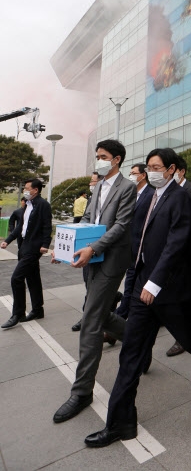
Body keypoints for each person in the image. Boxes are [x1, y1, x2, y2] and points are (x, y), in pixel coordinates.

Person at [83, 148, 191, 449]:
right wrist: (132, 281)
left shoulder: (180, 197)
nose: (151, 171)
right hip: (143, 287)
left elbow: (175, 244)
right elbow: (137, 239)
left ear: (171, 169)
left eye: (157, 167)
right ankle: (120, 424)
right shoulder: (145, 196)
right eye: (149, 167)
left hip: (169, 291)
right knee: (130, 354)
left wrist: (155, 283)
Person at [53, 139, 136, 424]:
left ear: (116, 160)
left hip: (111, 262)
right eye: (97, 156)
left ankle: (82, 392)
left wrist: (94, 248)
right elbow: (87, 219)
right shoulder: (98, 186)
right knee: (101, 315)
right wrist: (65, 248)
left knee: (90, 320)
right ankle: (138, 339)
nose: (98, 160)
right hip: (92, 260)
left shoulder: (128, 188)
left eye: (102, 156)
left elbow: (121, 226)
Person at [163, 155, 191, 357]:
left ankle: (182, 337)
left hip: (190, 248)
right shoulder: (165, 190)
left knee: (186, 288)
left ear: (180, 171)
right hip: (171, 247)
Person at [1, 179, 52, 328]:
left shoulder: (43, 205)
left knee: (16, 278)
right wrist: (8, 240)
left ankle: (18, 313)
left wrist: (45, 245)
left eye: (27, 188)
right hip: (23, 246)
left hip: (34, 248)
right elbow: (21, 227)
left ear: (36, 190)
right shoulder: (27, 205)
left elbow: (47, 226)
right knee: (33, 277)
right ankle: (38, 310)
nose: (25, 190)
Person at [114, 163, 155, 320]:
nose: (130, 176)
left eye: (133, 173)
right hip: (126, 247)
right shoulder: (129, 194)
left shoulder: (151, 194)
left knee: (131, 283)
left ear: (143, 175)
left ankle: (120, 317)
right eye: (129, 173)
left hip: (141, 249)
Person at [71, 172, 100, 332]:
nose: (91, 183)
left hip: (100, 248)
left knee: (94, 286)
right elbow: (85, 219)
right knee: (88, 281)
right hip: (88, 247)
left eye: (93, 181)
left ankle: (87, 317)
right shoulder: (91, 198)